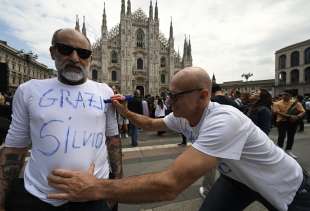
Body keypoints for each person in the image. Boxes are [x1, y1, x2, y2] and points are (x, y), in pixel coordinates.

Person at [48, 67, 309, 211]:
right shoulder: (184, 115)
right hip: (238, 179)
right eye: (169, 94)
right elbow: (151, 123)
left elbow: (170, 185)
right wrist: (124, 112)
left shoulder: (225, 120)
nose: (169, 101)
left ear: (203, 96)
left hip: (285, 186)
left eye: (176, 95)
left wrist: (97, 187)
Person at [0, 28, 122, 211]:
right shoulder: (28, 90)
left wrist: (115, 190)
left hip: (95, 195)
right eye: (66, 49)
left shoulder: (105, 91)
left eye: (83, 53)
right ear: (52, 52)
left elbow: (113, 141)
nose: (74, 58)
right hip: (40, 197)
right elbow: (14, 149)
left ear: (90, 57)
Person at [272, 91, 305, 159]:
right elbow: (277, 112)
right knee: (281, 136)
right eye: (283, 94)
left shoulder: (295, 103)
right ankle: (279, 150)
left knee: (291, 136)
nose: (284, 96)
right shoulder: (276, 103)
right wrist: (290, 116)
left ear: (290, 96)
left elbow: (303, 111)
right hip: (282, 122)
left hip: (293, 122)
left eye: (286, 95)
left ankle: (288, 150)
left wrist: (297, 117)